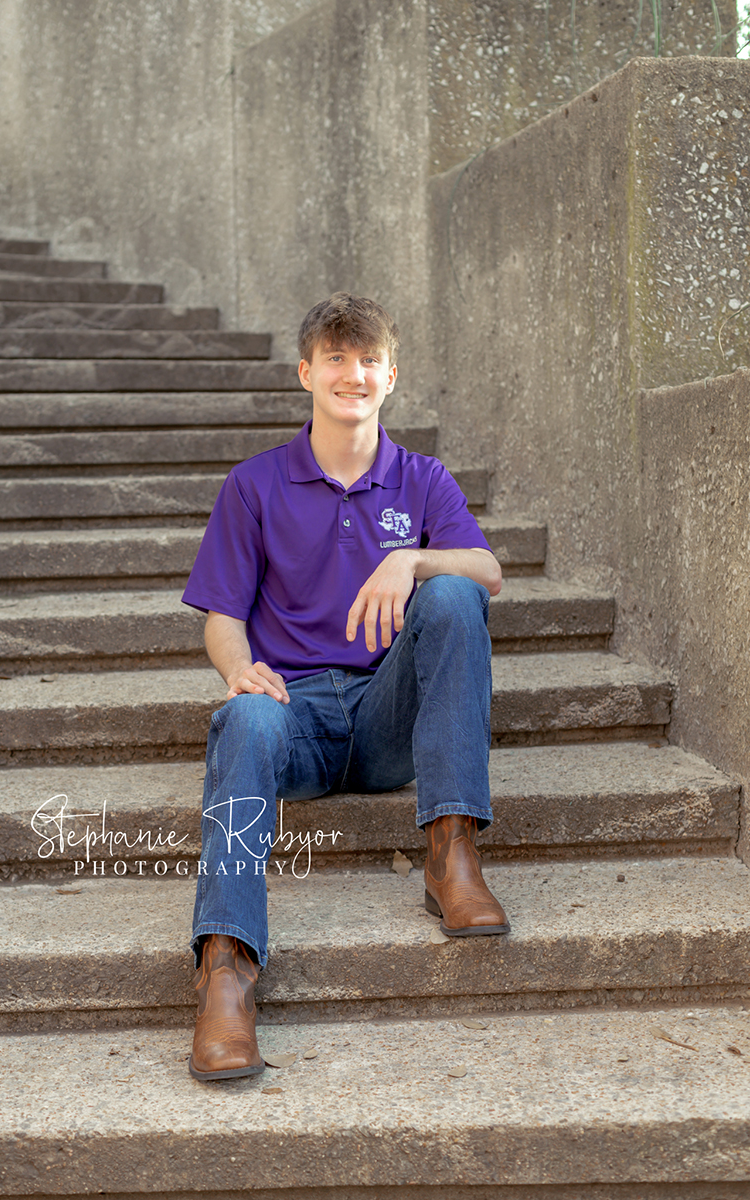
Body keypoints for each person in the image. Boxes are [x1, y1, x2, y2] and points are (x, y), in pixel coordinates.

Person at [181, 292, 508, 1082]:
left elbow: (489, 572)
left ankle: (451, 853)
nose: (352, 374)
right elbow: (221, 615)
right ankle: (226, 971)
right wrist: (238, 670)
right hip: (296, 712)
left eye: (368, 360)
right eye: (336, 357)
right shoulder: (254, 486)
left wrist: (413, 559)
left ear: (390, 375)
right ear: (306, 372)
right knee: (243, 724)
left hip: (387, 710)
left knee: (455, 593)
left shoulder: (422, 480)